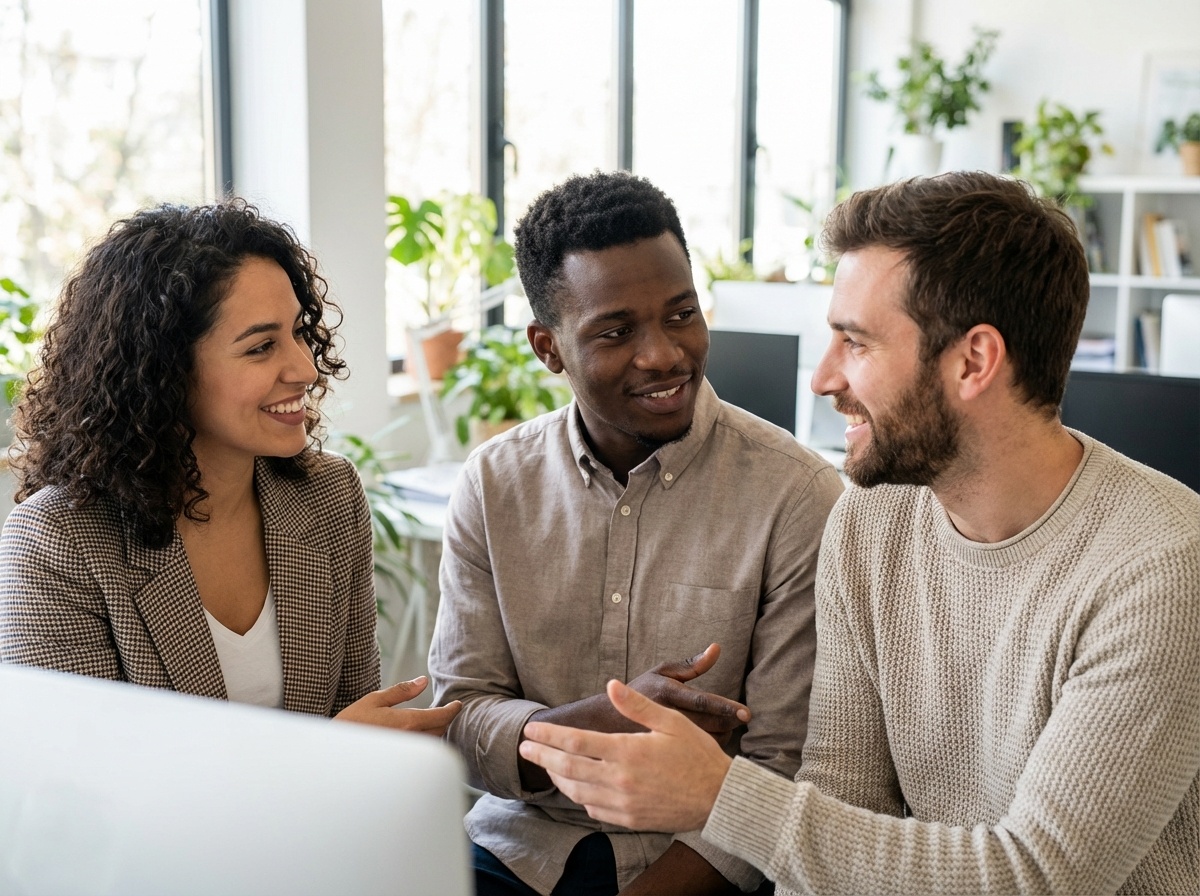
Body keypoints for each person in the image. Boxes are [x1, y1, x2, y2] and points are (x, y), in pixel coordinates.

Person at [518, 171, 1200, 895]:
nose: (822, 379)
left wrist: (722, 796)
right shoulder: (872, 519)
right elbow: (842, 800)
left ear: (973, 361)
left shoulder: (1160, 569)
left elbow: (1036, 877)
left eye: (856, 343)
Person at [427, 169, 844, 896]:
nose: (663, 354)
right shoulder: (495, 485)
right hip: (516, 848)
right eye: (616, 331)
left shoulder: (797, 494)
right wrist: (596, 724)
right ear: (547, 347)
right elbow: (459, 720)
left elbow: (784, 769)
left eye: (681, 314)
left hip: (702, 862)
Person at [0, 199, 460, 735]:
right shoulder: (56, 542)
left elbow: (356, 713)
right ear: (162, 371)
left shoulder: (330, 495)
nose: (305, 368)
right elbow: (86, 788)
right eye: (262, 347)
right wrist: (325, 756)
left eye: (297, 333)